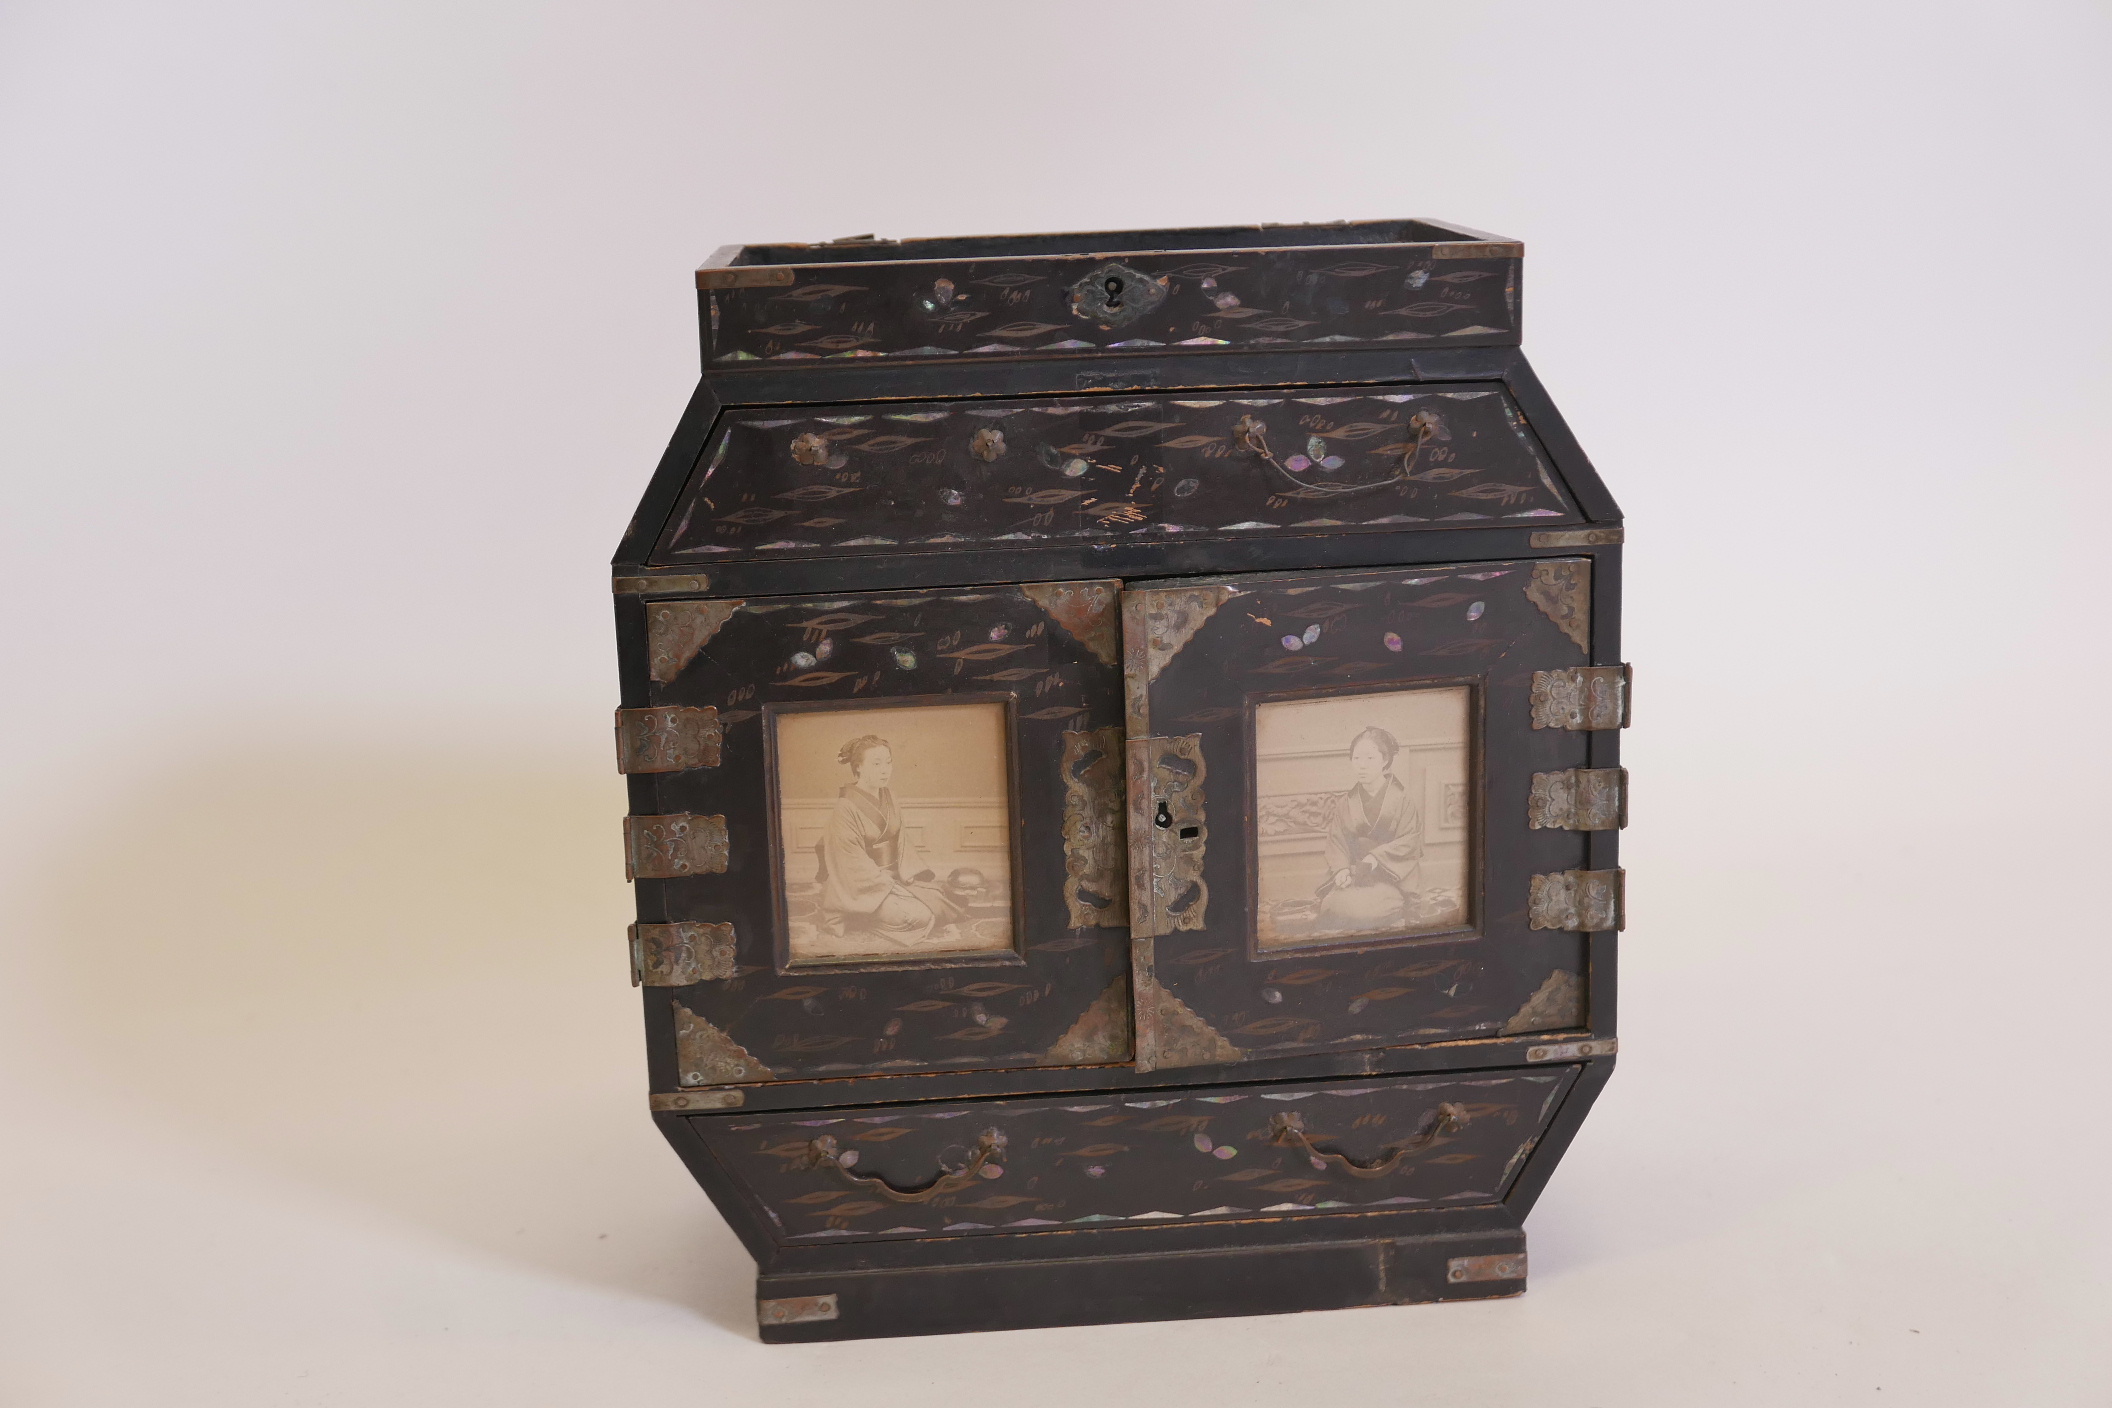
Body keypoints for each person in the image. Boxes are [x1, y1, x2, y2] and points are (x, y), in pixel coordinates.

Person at [814, 734, 967, 949]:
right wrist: (887, 884)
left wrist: (904, 877)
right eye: (876, 764)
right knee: (917, 916)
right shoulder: (844, 809)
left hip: (894, 875)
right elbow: (850, 864)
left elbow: (902, 842)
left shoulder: (890, 796)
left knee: (945, 899)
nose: (885, 770)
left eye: (888, 763)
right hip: (860, 886)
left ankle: (875, 912)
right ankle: (857, 915)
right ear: (858, 767)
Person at [1313, 726, 1425, 935]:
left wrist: (1376, 857)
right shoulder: (1345, 802)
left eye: (1370, 759)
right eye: (1356, 758)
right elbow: (1337, 841)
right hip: (1356, 874)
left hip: (1391, 875)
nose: (1361, 766)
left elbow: (1410, 841)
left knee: (1364, 912)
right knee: (1332, 906)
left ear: (1385, 761)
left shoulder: (1403, 801)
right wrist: (1342, 869)